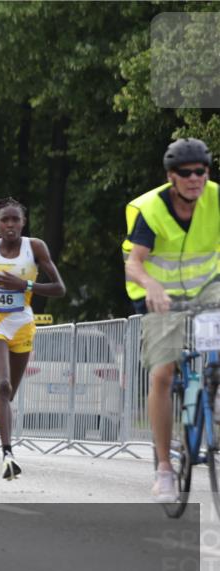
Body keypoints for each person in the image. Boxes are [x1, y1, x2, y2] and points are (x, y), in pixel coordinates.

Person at [123, 138, 219, 502]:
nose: (195, 178)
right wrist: (151, 285)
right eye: (185, 172)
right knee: (163, 373)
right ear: (171, 176)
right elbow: (135, 262)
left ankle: (214, 391)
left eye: (201, 171)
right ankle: (164, 468)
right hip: (158, 294)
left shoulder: (216, 199)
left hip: (208, 289)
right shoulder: (152, 209)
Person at [0, 197, 66, 480]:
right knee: (5, 383)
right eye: (5, 220)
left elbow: (59, 288)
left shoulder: (35, 247)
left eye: (15, 220)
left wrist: (25, 285)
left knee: (7, 394)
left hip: (23, 325)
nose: (10, 225)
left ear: (23, 222)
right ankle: (8, 455)